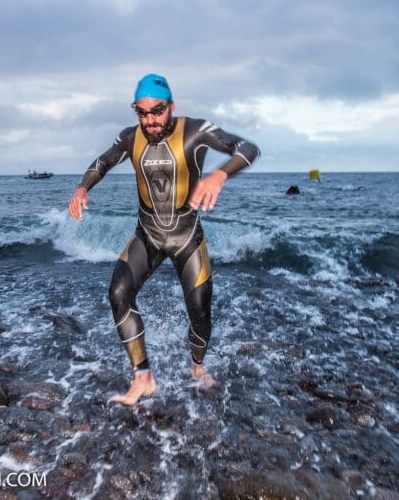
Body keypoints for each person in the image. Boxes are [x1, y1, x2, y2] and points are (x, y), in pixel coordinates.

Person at [68, 74, 260, 406]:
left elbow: (247, 147)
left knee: (200, 310)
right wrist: (83, 187)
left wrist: (220, 173)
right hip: (149, 235)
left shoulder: (195, 130)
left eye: (157, 111)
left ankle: (197, 367)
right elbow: (103, 162)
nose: (150, 120)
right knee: (118, 293)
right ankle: (143, 377)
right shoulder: (131, 138)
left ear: (171, 106)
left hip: (187, 238)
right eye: (142, 113)